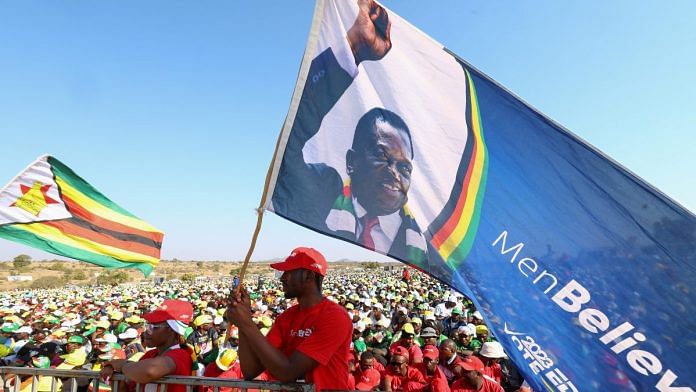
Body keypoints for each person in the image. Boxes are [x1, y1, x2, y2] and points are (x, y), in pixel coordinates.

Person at [271, 0, 449, 273]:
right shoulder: (323, 188)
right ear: (352, 161)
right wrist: (352, 47)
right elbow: (292, 146)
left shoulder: (427, 245)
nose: (395, 174)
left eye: (404, 167)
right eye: (382, 156)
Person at [226, 247, 353, 390]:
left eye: (289, 272)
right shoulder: (286, 317)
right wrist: (242, 320)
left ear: (308, 276)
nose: (282, 278)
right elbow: (250, 371)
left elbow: (288, 371)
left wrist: (247, 323)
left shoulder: (335, 317)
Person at [100, 299, 195, 392]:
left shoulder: (181, 354)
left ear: (171, 329)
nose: (146, 332)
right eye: (147, 326)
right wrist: (113, 371)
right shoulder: (151, 354)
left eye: (153, 327)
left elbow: (149, 371)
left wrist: (122, 365)